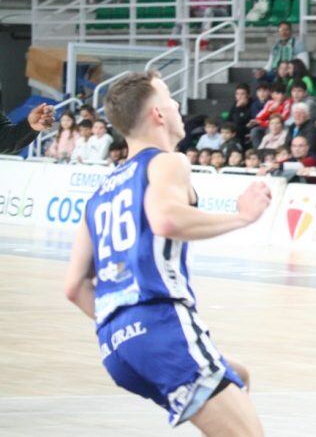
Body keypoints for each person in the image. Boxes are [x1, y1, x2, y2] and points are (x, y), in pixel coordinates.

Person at [62, 71, 270, 433]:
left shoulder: (99, 195)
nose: (177, 105)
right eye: (171, 98)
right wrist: (242, 217)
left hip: (116, 347)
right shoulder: (167, 162)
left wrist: (127, 328)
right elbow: (167, 221)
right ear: (158, 114)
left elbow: (74, 287)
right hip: (160, 325)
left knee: (239, 375)